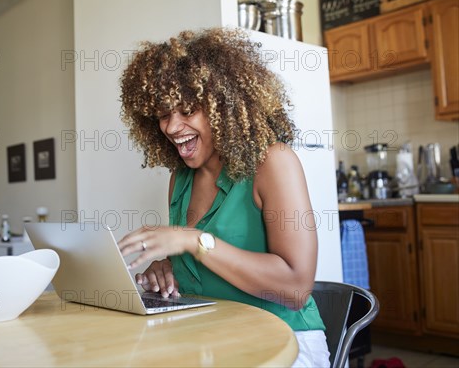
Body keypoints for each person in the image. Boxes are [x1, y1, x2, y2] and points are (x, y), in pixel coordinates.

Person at [117, 27, 330, 367]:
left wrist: (193, 240)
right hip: (210, 337)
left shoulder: (273, 162)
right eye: (162, 114)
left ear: (223, 106)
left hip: (284, 340)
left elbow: (295, 287)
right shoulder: (180, 179)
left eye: (187, 110)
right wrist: (166, 268)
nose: (172, 127)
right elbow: (205, 264)